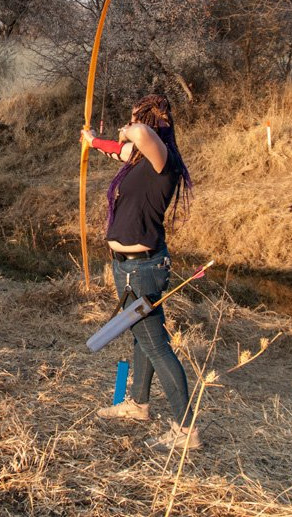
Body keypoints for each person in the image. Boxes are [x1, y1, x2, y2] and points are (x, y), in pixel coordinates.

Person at [81, 93, 199, 450]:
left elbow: (139, 136)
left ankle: (186, 431)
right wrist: (93, 141)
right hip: (131, 268)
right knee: (142, 336)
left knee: (155, 345)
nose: (131, 127)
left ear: (150, 122)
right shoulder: (140, 161)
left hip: (144, 269)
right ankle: (138, 404)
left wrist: (128, 129)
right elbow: (120, 148)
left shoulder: (163, 159)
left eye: (135, 119)